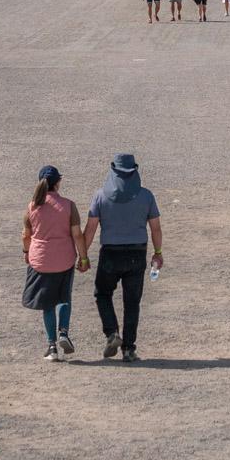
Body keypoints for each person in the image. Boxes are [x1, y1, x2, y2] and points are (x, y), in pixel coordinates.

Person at [84, 154, 162, 362]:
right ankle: (128, 349)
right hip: (137, 252)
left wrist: (82, 256)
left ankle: (112, 333)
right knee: (132, 302)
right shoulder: (146, 196)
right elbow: (155, 227)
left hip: (110, 252)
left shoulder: (100, 196)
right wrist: (158, 253)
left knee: (102, 294)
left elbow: (90, 229)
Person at [22, 166, 90, 361]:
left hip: (41, 261)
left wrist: (27, 253)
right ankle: (63, 333)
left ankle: (51, 347)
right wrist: (83, 258)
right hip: (64, 259)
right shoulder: (68, 205)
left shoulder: (32, 206)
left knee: (47, 305)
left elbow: (26, 235)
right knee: (64, 298)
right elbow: (77, 234)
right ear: (58, 183)